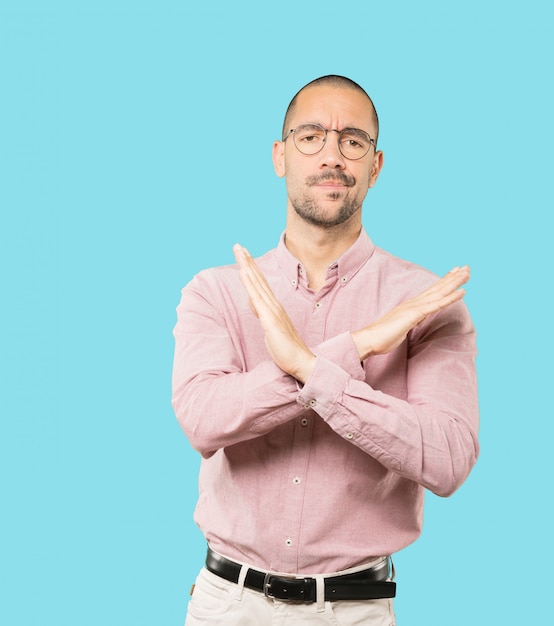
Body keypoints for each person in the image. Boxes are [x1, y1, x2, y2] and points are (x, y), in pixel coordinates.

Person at [172, 75, 479, 625]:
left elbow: (449, 458)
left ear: (376, 165)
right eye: (311, 136)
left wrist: (309, 367)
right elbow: (203, 419)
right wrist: (357, 349)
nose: (332, 155)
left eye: (353, 140)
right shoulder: (216, 290)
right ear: (280, 156)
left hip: (354, 611)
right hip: (226, 607)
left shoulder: (426, 302)